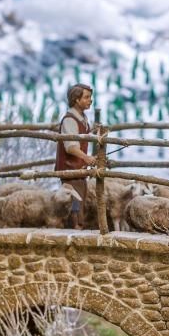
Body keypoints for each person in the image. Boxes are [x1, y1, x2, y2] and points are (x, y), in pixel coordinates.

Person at [57, 84, 98, 228]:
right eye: (86, 97)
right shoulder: (70, 120)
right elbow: (71, 147)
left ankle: (77, 229)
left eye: (90, 97)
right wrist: (87, 158)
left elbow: (81, 137)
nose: (90, 101)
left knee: (80, 203)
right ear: (76, 100)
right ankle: (73, 232)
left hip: (77, 170)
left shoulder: (81, 118)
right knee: (74, 205)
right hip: (70, 171)